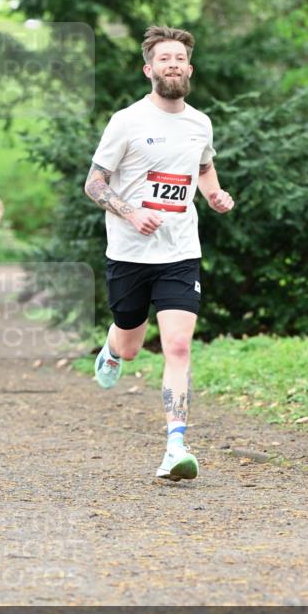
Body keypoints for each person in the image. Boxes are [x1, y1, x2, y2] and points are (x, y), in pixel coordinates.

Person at [84, 25, 234, 482]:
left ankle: (175, 447)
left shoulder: (199, 123)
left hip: (180, 251)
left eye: (179, 58)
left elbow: (204, 167)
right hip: (130, 252)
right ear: (149, 69)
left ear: (189, 68)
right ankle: (111, 348)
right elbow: (94, 183)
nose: (172, 64)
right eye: (163, 58)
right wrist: (130, 213)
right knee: (130, 346)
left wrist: (213, 193)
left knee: (178, 345)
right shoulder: (126, 121)